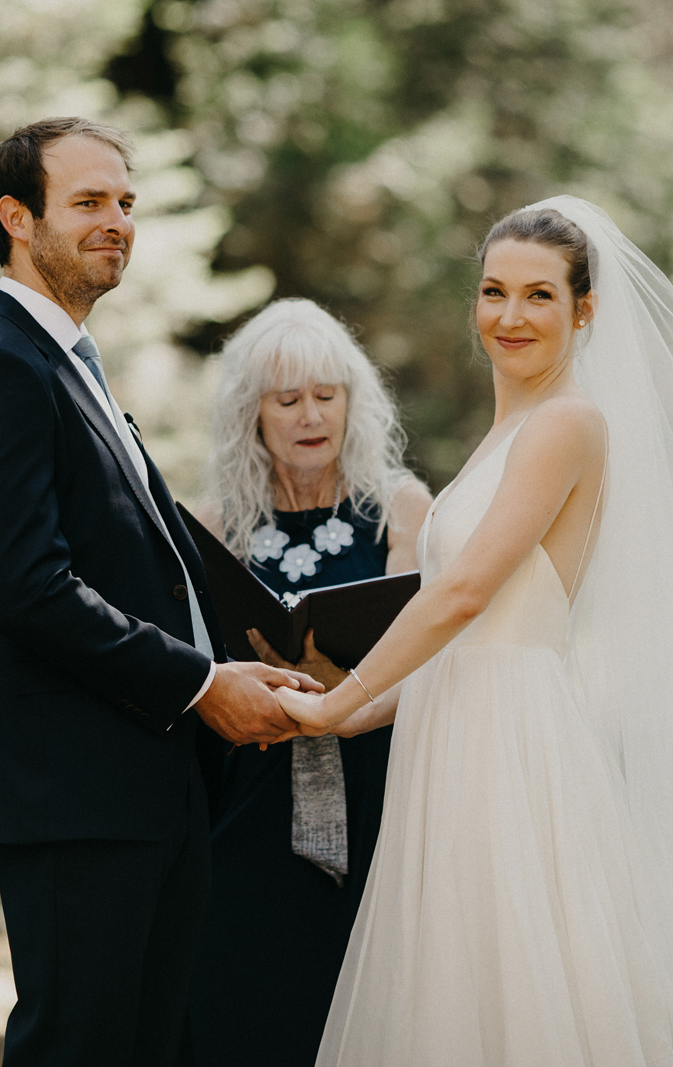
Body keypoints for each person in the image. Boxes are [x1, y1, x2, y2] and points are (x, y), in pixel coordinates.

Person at [277, 198, 673, 1067]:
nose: (509, 317)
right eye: (493, 292)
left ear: (584, 310)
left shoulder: (568, 423)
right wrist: (331, 710)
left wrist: (341, 704)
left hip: (515, 750)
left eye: (539, 296)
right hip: (453, 735)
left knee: (534, 998)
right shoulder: (504, 434)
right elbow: (456, 641)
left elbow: (467, 594)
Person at [0, 117, 319, 1067]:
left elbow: (152, 562)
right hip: (75, 786)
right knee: (80, 1046)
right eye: (89, 201)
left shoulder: (68, 365)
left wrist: (268, 651)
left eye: (127, 203)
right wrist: (201, 686)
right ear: (17, 218)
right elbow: (32, 589)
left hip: (150, 779)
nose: (118, 221)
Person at [184, 299, 431, 1067]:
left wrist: (344, 686)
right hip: (250, 798)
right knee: (245, 1005)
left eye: (326, 394)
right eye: (286, 400)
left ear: (354, 402)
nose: (309, 415)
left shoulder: (400, 507)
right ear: (249, 413)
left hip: (377, 790)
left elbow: (428, 656)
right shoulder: (213, 523)